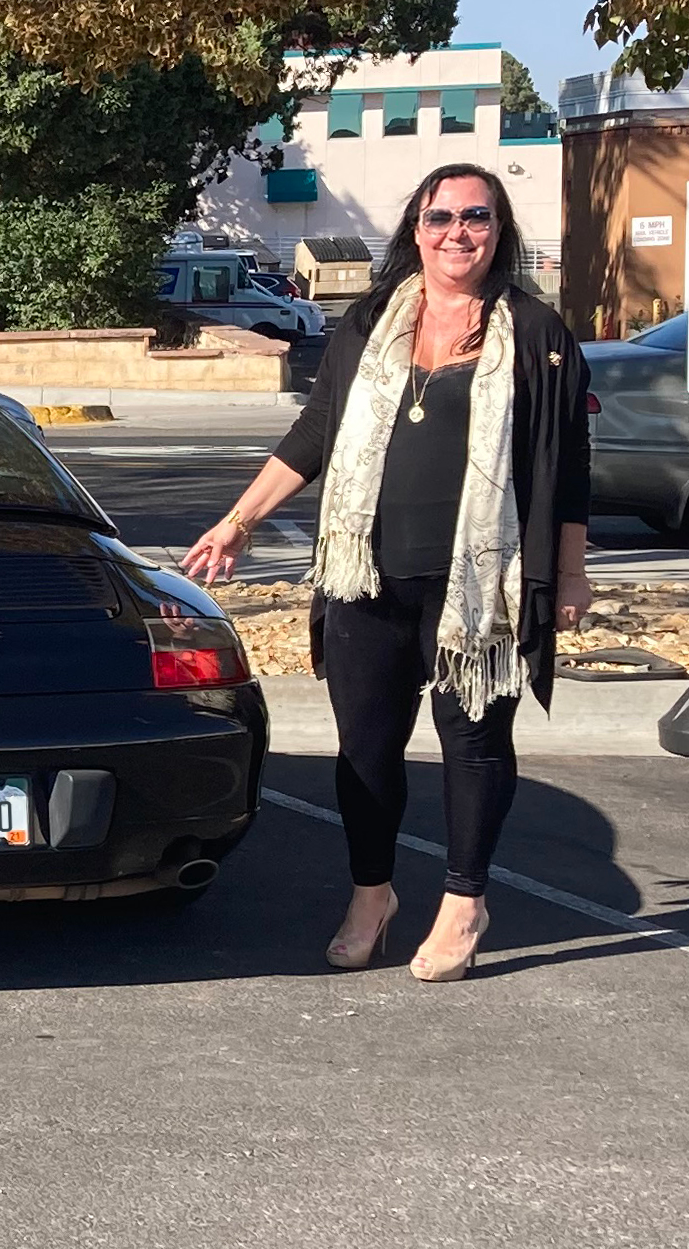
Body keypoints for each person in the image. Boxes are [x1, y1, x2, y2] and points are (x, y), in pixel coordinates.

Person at [183, 162, 590, 983]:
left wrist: (571, 572)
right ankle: (372, 894)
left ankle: (462, 900)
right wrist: (237, 522)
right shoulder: (371, 321)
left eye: (476, 216)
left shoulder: (536, 334)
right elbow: (315, 433)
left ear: (498, 228)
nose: (457, 233)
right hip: (364, 578)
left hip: (477, 587)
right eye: (440, 217)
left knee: (472, 743)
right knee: (364, 752)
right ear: (416, 229)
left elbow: (568, 466)